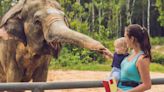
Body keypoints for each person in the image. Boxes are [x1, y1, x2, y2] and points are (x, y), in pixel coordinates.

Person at [117, 24, 152, 92]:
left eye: (125, 36)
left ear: (132, 39)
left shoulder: (142, 59)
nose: (124, 39)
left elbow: (147, 85)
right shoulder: (132, 53)